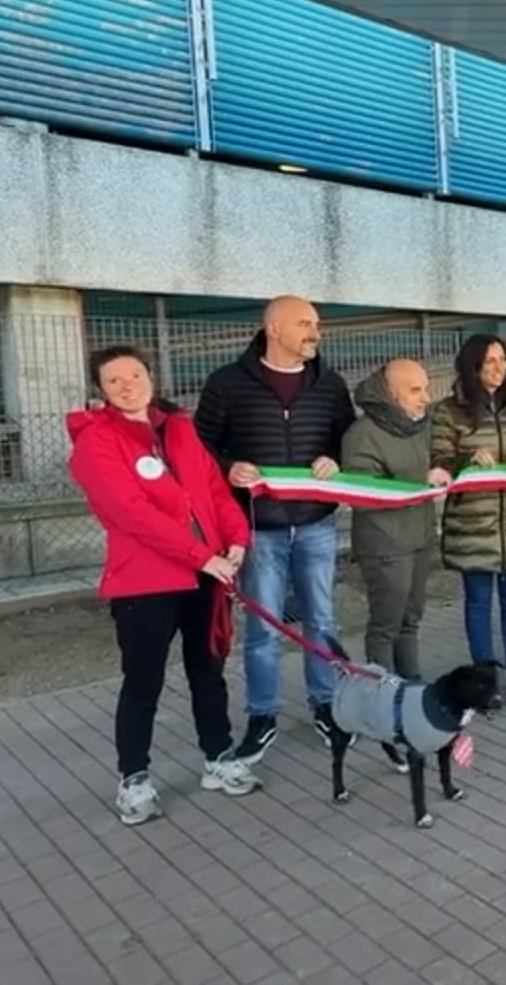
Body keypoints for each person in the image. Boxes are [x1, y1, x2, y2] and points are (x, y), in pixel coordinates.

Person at [69, 346, 260, 825]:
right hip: (146, 584)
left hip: (206, 576)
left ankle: (218, 756)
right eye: (114, 381)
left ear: (151, 377)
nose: (128, 384)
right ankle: (134, 778)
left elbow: (215, 490)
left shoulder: (178, 428)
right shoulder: (98, 442)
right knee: (143, 684)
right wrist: (203, 556)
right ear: (101, 391)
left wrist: (236, 538)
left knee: (207, 672)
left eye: (135, 374)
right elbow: (131, 513)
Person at [193, 295, 354, 764]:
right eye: (305, 323)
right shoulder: (227, 383)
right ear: (274, 329)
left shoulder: (329, 384)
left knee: (322, 621)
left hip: (316, 523)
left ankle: (326, 705)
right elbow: (200, 447)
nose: (315, 332)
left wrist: (337, 460)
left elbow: (348, 439)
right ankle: (262, 715)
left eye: (317, 324)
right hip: (256, 528)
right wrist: (228, 466)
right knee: (263, 629)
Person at [432, 334, 506, 705]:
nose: (498, 368)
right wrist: (465, 462)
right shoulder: (450, 410)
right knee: (478, 601)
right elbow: (438, 461)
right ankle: (484, 677)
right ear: (472, 366)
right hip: (473, 526)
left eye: (503, 360)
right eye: (489, 362)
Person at [340, 358, 450, 705]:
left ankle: (412, 687)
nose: (425, 398)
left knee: (411, 619)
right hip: (385, 545)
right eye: (415, 390)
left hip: (419, 537)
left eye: (426, 389)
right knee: (386, 624)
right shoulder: (362, 434)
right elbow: (365, 494)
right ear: (390, 393)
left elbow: (439, 460)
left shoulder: (419, 427)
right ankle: (383, 697)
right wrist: (422, 481)